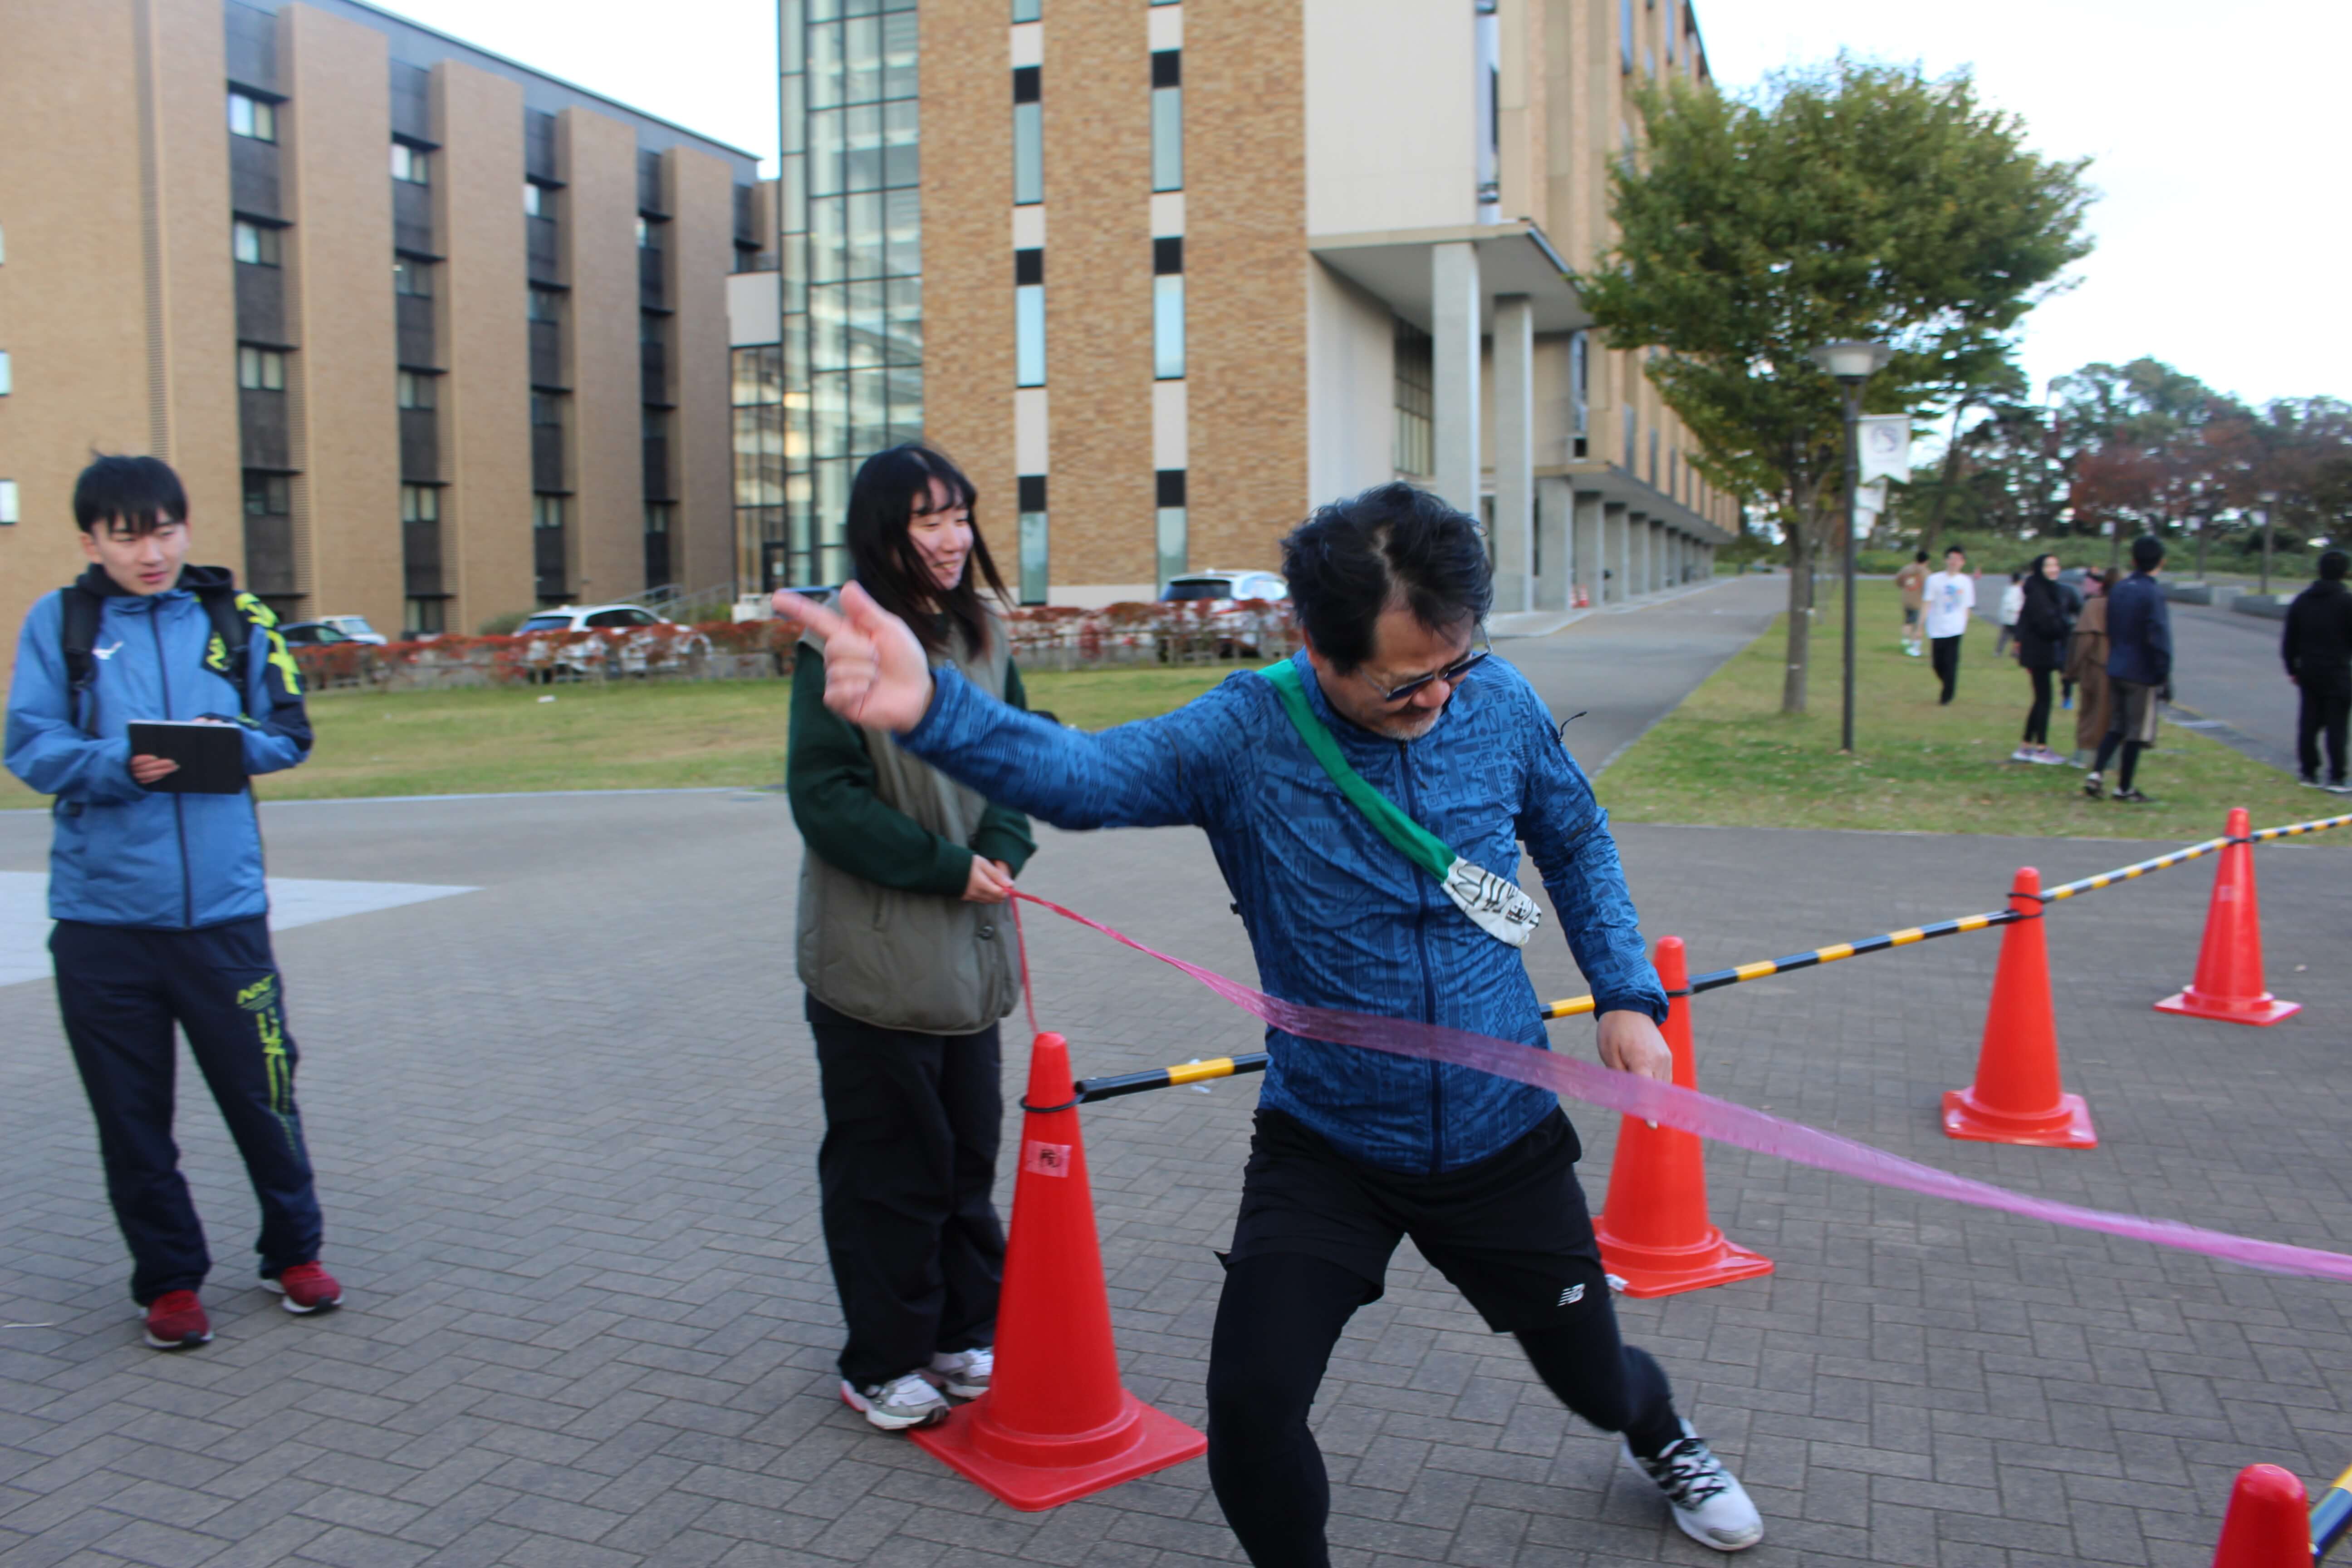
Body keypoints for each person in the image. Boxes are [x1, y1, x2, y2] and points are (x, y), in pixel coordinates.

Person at [775, 483, 1765, 1560]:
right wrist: (934, 709)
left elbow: (1571, 836)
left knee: (1593, 1374)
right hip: (1327, 1140)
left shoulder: (1500, 703)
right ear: (1315, 642)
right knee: (1249, 1405)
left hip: (1501, 1132)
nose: (1436, 697)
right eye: (1400, 683)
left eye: (1453, 665)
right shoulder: (1245, 731)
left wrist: (1624, 990)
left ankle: (1660, 1435)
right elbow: (1083, 775)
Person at [3, 455, 338, 1352]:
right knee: (131, 1115)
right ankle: (169, 1282)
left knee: (265, 1092)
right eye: (127, 535)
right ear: (91, 542)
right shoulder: (62, 622)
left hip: (222, 919)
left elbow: (289, 735)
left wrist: (226, 743)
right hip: (103, 927)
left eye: (164, 531)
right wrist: (118, 765)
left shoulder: (236, 616)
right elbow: (30, 746)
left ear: (186, 530)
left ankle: (294, 1253)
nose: (150, 552)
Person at [787, 444, 1038, 1432]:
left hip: (969, 963)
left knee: (967, 1157)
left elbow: (1022, 758)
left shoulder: (985, 633)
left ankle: (959, 1331)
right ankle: (880, 1360)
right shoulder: (841, 643)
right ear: (884, 530)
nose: (950, 538)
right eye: (928, 519)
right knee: (890, 1167)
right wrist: (944, 867)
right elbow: (824, 798)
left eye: (960, 517)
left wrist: (1005, 845)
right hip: (874, 965)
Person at [2084, 534, 2173, 804]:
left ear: (2133, 560)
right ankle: (2124, 787)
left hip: (2118, 664)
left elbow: (2112, 625)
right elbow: (2159, 635)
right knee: (2136, 730)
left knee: (2117, 725)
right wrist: (2164, 672)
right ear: (2161, 562)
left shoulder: (2121, 589)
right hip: (2141, 670)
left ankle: (2097, 773)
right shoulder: (2153, 592)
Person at [2282, 548, 2352, 792]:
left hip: (2309, 670)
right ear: (2345, 573)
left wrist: (2292, 667)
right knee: (2337, 726)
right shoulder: (2347, 601)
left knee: (2309, 723)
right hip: (2340, 670)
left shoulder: (2303, 601)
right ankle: (2336, 776)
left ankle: (2308, 772)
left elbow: (2290, 639)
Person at [2009, 554, 2071, 765]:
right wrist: (2065, 627)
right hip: (2039, 653)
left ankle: (2026, 745)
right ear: (2039, 569)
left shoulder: (2049, 590)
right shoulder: (2038, 592)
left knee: (2040, 699)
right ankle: (2041, 748)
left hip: (2042, 652)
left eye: (2056, 565)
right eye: (2048, 566)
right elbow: (2048, 625)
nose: (2053, 569)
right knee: (2044, 700)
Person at [2065, 571, 2112, 768]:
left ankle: (2086, 755)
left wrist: (2071, 670)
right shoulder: (2130, 604)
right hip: (2123, 668)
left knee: (2091, 713)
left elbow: (2083, 640)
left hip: (2097, 667)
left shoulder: (2095, 605)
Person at [1921, 545, 1976, 704]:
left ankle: (1947, 696)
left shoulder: (1965, 582)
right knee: (1938, 663)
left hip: (1955, 628)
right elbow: (1927, 603)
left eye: (1958, 559)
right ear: (1946, 560)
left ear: (1963, 563)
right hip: (1937, 627)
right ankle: (1948, 684)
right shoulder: (1934, 580)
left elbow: (1967, 606)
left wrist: (1963, 626)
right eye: (1951, 558)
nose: (1954, 562)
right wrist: (1920, 626)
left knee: (1951, 662)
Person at [1894, 549, 1929, 657]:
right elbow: (1929, 589)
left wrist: (1903, 586)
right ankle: (1914, 647)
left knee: (1908, 621)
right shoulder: (1925, 573)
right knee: (1918, 625)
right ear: (1927, 561)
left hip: (1906, 599)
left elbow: (1898, 581)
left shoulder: (1906, 569)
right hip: (1918, 602)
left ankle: (1905, 641)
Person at [1992, 570, 2026, 659]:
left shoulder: (2009, 589)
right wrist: (2018, 610)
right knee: (2018, 636)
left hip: (2007, 618)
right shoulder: (2016, 590)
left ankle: (1998, 652)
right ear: (2019, 581)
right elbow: (2010, 603)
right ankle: (2015, 653)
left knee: (2005, 635)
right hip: (2013, 618)